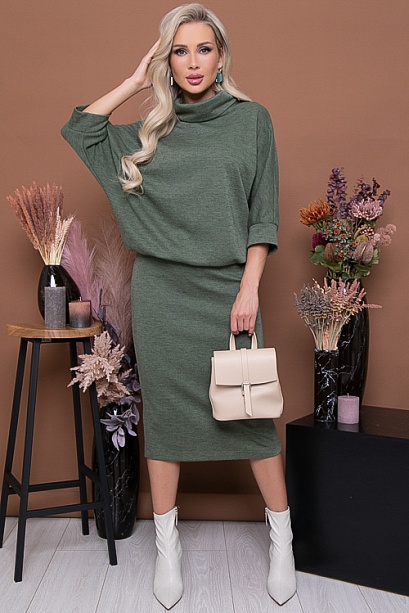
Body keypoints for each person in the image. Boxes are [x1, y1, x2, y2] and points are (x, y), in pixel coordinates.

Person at [62, 3, 296, 609]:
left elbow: (263, 214)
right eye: (179, 50)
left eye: (203, 49)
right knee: (165, 420)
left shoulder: (252, 120)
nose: (192, 62)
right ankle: (168, 549)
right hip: (162, 294)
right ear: (166, 60)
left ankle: (282, 539)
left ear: (221, 58)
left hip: (230, 292)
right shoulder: (148, 132)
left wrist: (249, 287)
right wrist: (133, 82)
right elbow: (81, 129)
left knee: (251, 414)